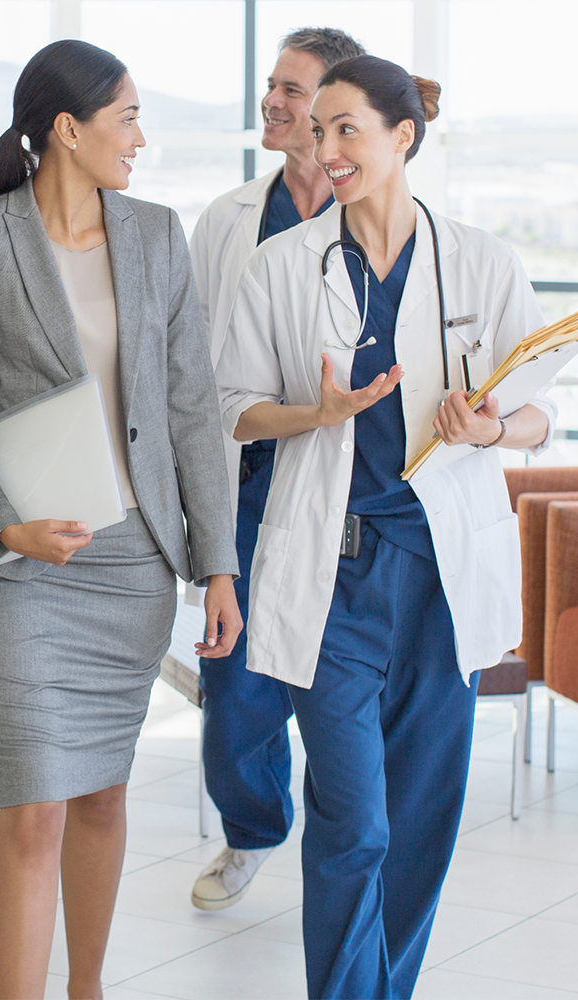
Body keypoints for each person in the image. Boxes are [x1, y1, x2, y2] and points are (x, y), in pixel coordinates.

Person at [215, 55, 557, 1000]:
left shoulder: (481, 261)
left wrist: (491, 426)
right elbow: (233, 407)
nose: (325, 150)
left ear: (403, 137)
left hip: (443, 580)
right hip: (335, 576)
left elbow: (535, 414)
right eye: (317, 131)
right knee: (354, 820)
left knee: (421, 817)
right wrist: (313, 417)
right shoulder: (284, 265)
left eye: (345, 130)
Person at [0, 39, 241, 1000]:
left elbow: (192, 410)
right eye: (127, 117)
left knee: (102, 795)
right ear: (69, 127)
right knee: (34, 811)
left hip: (134, 564)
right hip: (22, 573)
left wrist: (216, 565)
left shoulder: (155, 234)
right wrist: (7, 526)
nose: (140, 137)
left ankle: (86, 989)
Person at [184, 25, 364, 913]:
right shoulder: (228, 218)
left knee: (331, 678)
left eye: (293, 90)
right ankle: (253, 828)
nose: (275, 102)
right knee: (235, 685)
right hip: (247, 481)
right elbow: (189, 357)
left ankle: (351, 843)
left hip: (338, 487)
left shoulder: (367, 215)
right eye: (274, 85)